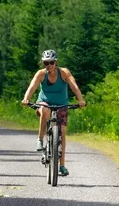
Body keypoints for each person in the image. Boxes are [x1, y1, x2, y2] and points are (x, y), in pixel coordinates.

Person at [21, 49, 86, 177]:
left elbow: (74, 86)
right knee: (45, 110)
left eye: (51, 62)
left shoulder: (64, 73)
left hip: (61, 104)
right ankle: (40, 140)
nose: (49, 65)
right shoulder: (41, 74)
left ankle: (61, 165)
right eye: (46, 63)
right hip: (45, 102)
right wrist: (26, 99)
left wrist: (80, 100)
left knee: (62, 132)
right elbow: (32, 87)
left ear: (56, 62)